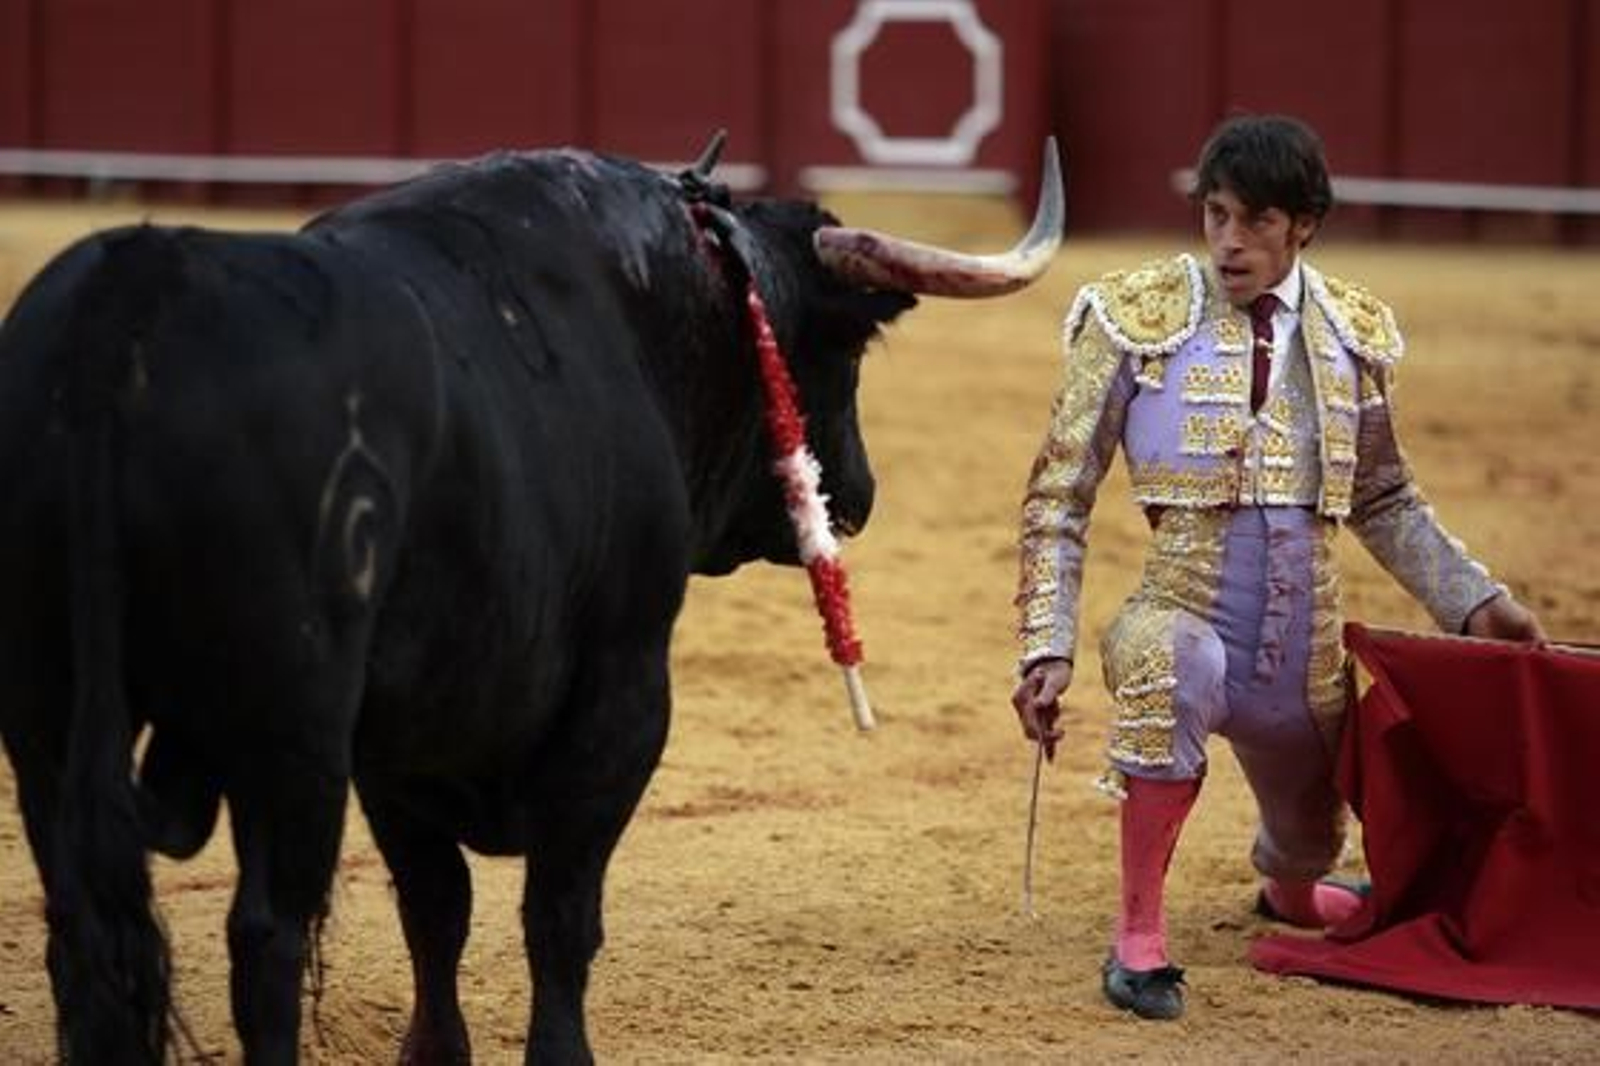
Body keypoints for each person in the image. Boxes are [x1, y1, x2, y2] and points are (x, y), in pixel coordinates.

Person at [1008, 113, 1544, 1022]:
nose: (1229, 241)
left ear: (1303, 225)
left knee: (1307, 839)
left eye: (1255, 220)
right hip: (1180, 605)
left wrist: (1474, 602)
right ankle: (1139, 937)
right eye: (1216, 214)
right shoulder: (1134, 317)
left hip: (1302, 646)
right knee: (1173, 668)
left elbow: (1384, 497)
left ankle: (1290, 891)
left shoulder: (1351, 332)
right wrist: (1045, 644)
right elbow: (1060, 495)